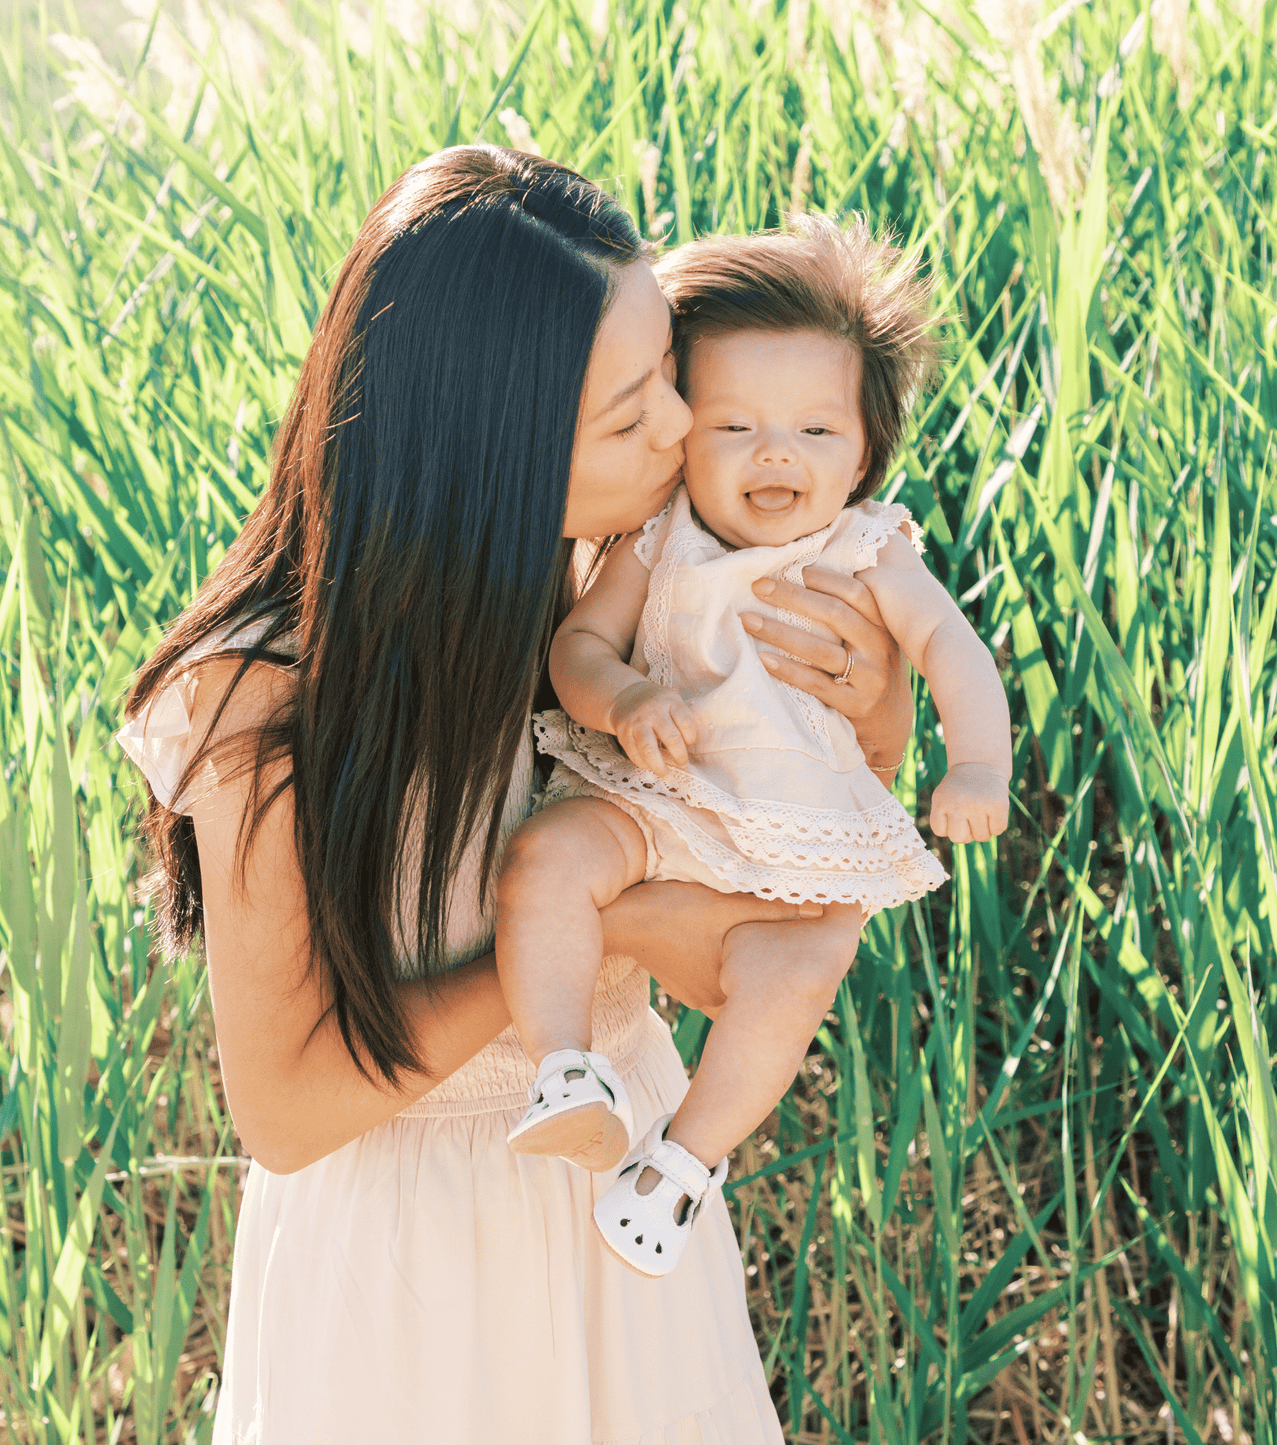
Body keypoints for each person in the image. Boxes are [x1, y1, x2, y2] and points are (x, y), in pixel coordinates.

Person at [117, 147, 915, 1443]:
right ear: (496, 449)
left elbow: (772, 893)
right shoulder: (258, 698)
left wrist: (876, 707)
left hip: (623, 1212)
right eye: (628, 414)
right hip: (406, 1268)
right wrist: (584, 928)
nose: (682, 426)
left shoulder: (625, 594)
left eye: (669, 374)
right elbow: (286, 1109)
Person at [496, 216, 1011, 1278]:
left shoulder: (867, 548)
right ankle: (564, 1068)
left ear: (864, 448)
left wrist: (977, 764)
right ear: (681, 435)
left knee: (797, 973)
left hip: (789, 824)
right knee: (547, 858)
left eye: (815, 429)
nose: (775, 452)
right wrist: (625, 697)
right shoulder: (661, 537)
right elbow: (577, 648)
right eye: (732, 425)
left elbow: (951, 651)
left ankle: (682, 1162)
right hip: (651, 794)